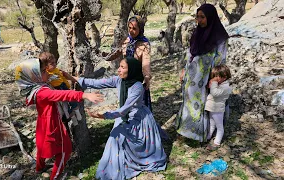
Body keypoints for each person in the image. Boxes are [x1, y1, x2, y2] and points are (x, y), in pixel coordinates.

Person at [74, 57, 167, 179]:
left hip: (138, 119)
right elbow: (97, 83)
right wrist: (73, 78)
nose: (118, 70)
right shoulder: (119, 80)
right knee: (114, 139)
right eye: (119, 66)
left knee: (117, 137)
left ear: (132, 70)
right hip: (122, 116)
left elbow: (124, 109)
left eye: (122, 67)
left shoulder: (137, 87)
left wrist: (104, 116)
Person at [15, 58, 103, 180]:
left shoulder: (35, 89)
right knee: (65, 151)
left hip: (43, 123)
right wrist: (84, 95)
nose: (47, 72)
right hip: (53, 124)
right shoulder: (42, 92)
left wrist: (62, 75)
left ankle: (39, 168)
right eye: (43, 71)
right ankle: (55, 177)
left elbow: (53, 79)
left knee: (41, 147)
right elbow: (61, 94)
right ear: (35, 77)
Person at [176, 3, 229, 142]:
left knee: (205, 104)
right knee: (189, 101)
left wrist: (214, 78)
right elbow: (190, 54)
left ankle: (202, 133)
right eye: (197, 17)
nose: (199, 20)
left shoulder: (220, 37)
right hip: (192, 75)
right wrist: (184, 70)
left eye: (202, 17)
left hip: (206, 76)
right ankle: (187, 131)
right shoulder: (197, 33)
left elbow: (221, 58)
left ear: (210, 17)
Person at [104, 15, 152, 111]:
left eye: (134, 28)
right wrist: (104, 56)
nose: (131, 31)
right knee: (125, 103)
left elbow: (146, 63)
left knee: (137, 106)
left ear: (141, 29)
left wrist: (147, 76)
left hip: (137, 80)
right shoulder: (127, 41)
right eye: (129, 28)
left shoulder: (145, 44)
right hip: (126, 78)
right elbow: (117, 53)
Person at [40, 52, 82, 127]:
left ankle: (76, 112)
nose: (54, 64)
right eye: (52, 63)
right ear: (45, 66)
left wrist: (68, 83)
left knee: (71, 99)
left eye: (55, 62)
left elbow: (63, 76)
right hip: (57, 89)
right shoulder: (47, 74)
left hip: (63, 86)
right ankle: (71, 117)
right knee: (65, 104)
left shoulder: (56, 70)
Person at [205, 65, 232, 150]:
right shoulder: (220, 84)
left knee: (219, 126)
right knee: (211, 123)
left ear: (225, 77)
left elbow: (215, 93)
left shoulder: (226, 87)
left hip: (217, 109)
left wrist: (213, 82)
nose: (215, 78)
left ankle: (217, 142)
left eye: (217, 77)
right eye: (214, 76)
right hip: (212, 108)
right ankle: (208, 137)